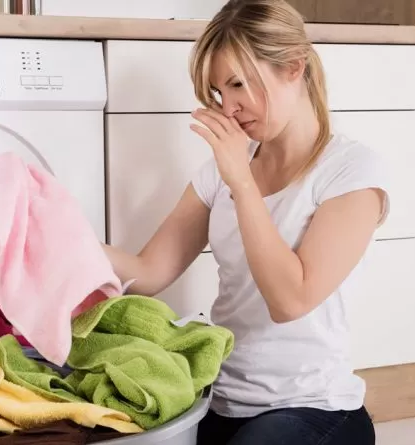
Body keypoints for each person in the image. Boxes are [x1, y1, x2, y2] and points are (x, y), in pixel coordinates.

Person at [101, 0, 387, 444]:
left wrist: (243, 182)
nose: (229, 108)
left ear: (294, 67)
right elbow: (148, 273)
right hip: (221, 398)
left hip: (312, 408)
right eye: (218, 93)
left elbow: (290, 300)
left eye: (238, 85)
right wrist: (40, 229)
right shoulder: (221, 171)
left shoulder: (351, 172)